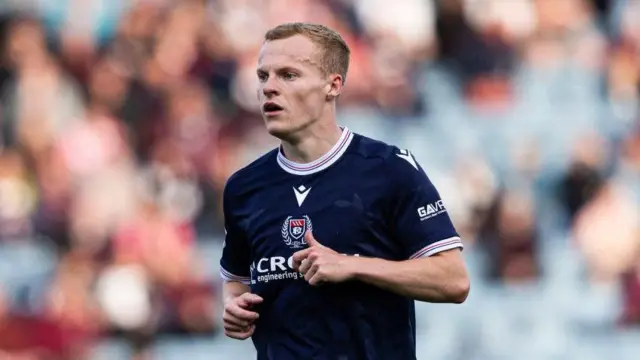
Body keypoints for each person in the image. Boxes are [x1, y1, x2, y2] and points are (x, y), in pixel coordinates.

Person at [220, 22, 470, 360]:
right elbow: (236, 280)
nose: (269, 88)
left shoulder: (388, 169)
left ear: (332, 85)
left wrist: (353, 266)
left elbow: (453, 281)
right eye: (263, 76)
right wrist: (234, 306)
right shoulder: (243, 187)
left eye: (288, 75)